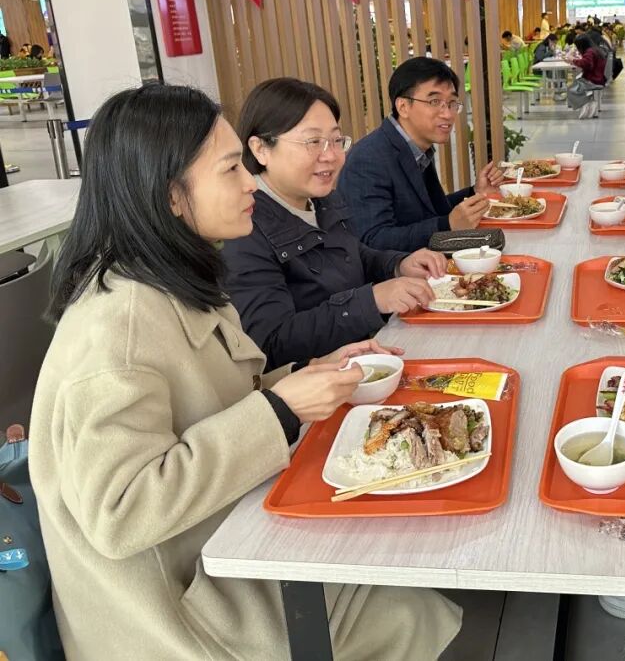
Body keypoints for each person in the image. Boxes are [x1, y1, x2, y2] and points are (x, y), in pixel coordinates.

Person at [30, 83, 461, 661]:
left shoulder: (169, 275)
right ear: (171, 194)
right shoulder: (117, 328)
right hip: (177, 609)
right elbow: (120, 512)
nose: (250, 184)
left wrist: (304, 375)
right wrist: (281, 408)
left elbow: (209, 399)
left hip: (222, 540)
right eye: (231, 169)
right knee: (404, 608)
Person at [222, 78, 447, 371]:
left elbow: (351, 254)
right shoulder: (244, 228)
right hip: (321, 382)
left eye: (336, 140)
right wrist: (371, 301)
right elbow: (272, 345)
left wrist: (398, 265)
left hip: (368, 353)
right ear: (261, 148)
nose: (330, 155)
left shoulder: (321, 197)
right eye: (313, 141)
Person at [338, 57, 504, 251]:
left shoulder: (416, 147)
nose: (448, 114)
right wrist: (447, 225)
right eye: (434, 101)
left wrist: (475, 192)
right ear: (403, 107)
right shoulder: (368, 159)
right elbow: (373, 240)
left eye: (452, 103)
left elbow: (429, 210)